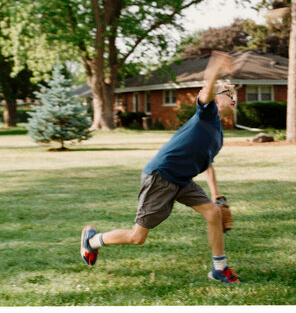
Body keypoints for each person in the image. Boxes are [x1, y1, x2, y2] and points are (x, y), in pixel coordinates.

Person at [80, 51, 241, 284]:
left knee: (213, 213)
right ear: (215, 98)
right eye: (229, 93)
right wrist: (216, 66)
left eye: (235, 95)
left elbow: (208, 166)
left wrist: (217, 195)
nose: (234, 99)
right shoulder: (207, 114)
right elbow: (206, 91)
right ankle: (92, 241)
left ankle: (219, 268)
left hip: (182, 180)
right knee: (137, 237)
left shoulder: (217, 133)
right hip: (161, 176)